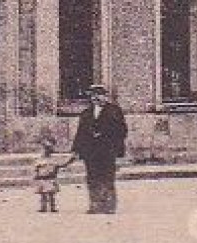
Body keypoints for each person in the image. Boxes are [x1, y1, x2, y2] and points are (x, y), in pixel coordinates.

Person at [71, 83, 128, 214]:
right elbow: (80, 132)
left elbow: (122, 131)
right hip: (90, 152)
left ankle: (109, 205)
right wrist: (76, 149)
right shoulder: (86, 113)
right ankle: (94, 204)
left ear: (105, 96)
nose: (96, 98)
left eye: (99, 95)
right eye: (93, 95)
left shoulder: (114, 111)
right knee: (92, 177)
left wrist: (106, 136)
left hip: (107, 150)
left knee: (107, 177)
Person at [33, 135, 71, 213]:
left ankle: (52, 207)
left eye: (47, 150)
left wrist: (70, 161)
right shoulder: (40, 160)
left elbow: (61, 165)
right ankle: (43, 207)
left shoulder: (53, 160)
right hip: (42, 178)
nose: (45, 152)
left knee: (51, 194)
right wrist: (36, 175)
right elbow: (36, 168)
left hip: (50, 178)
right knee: (43, 194)